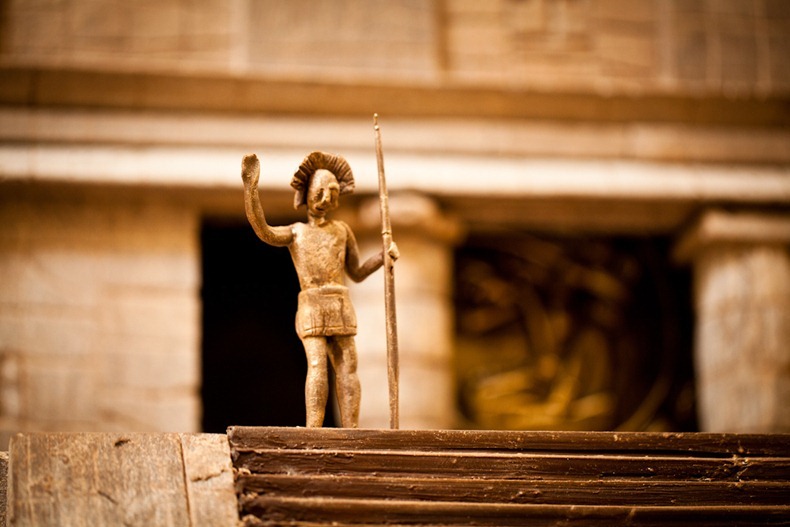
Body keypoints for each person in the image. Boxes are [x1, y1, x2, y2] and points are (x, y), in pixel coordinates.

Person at [241, 151, 397, 428]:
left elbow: (356, 272)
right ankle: (314, 429)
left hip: (340, 304)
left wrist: (383, 257)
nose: (326, 199)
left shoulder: (342, 231)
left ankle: (351, 429)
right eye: (320, 192)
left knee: (348, 367)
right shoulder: (296, 232)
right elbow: (263, 230)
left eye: (333, 192)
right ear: (306, 194)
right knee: (317, 366)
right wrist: (250, 189)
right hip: (312, 306)